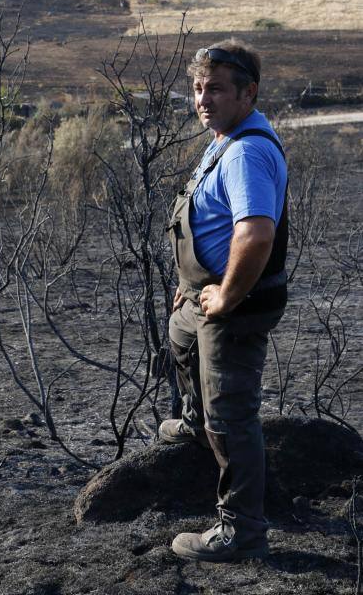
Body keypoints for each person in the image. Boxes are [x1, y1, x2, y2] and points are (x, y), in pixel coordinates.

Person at [160, 40, 288, 562]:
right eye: (197, 88)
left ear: (247, 93)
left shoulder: (247, 151)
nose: (202, 99)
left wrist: (227, 294)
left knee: (232, 418)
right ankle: (195, 422)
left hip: (235, 304)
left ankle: (242, 530)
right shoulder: (226, 139)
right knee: (179, 336)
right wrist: (193, 283)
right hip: (208, 293)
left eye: (215, 89)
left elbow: (256, 234)